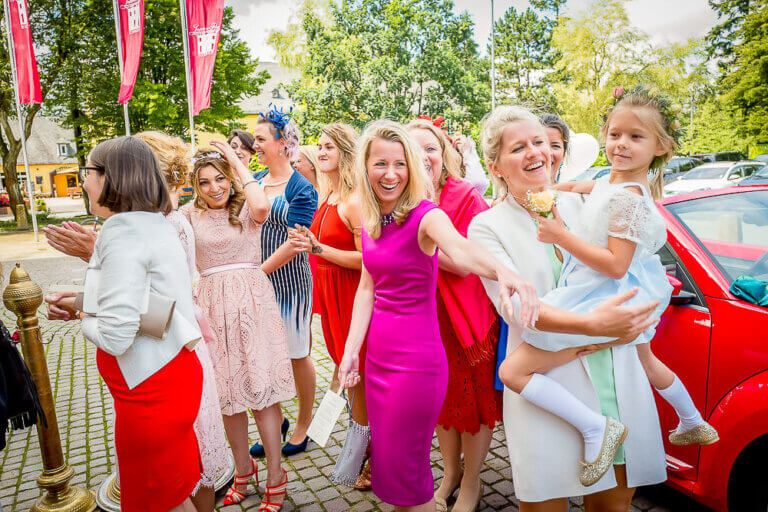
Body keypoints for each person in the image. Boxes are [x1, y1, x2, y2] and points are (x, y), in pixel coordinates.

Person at [501, 86, 718, 486]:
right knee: (646, 361)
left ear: (660, 146)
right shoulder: (611, 184)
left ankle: (596, 429)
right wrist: (552, 190)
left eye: (636, 137)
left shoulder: (628, 200)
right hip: (623, 290)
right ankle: (691, 420)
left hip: (602, 291)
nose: (621, 144)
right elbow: (588, 189)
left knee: (514, 371)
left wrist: (559, 235)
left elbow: (616, 265)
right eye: (615, 134)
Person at [467, 105, 665, 511]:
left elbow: (638, 268)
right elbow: (517, 309)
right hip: (547, 388)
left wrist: (640, 317)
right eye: (518, 147)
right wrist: (594, 324)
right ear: (496, 166)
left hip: (614, 377)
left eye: (539, 142)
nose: (536, 153)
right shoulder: (487, 227)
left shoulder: (590, 201)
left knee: (613, 504)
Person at [337, 120, 540, 512]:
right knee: (393, 474)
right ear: (365, 167)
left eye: (400, 163)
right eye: (380, 163)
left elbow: (462, 252)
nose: (391, 173)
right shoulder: (371, 219)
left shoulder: (425, 216)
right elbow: (367, 288)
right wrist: (350, 352)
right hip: (378, 359)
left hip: (416, 364)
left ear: (412, 168)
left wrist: (503, 272)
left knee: (408, 476)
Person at [45, 136, 204, 512]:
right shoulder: (152, 222)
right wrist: (85, 302)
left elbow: (116, 337)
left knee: (155, 502)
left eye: (88, 172)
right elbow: (157, 310)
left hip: (149, 392)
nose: (84, 182)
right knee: (173, 499)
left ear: (111, 177)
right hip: (170, 376)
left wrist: (84, 315)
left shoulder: (122, 230)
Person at [183, 145, 294, 510]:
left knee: (261, 395)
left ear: (230, 178)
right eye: (204, 182)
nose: (214, 188)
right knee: (226, 399)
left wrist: (232, 158)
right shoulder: (187, 216)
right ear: (194, 186)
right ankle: (242, 471)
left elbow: (263, 207)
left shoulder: (246, 207)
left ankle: (276, 474)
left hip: (251, 303)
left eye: (219, 179)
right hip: (212, 306)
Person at [407, 119, 502, 512]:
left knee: (474, 404)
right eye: (414, 150)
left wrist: (419, 244)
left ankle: (474, 482)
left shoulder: (464, 195)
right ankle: (449, 473)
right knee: (442, 405)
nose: (424, 156)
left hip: (465, 318)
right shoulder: (400, 200)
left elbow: (467, 264)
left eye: (430, 148)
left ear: (444, 152)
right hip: (423, 319)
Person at [287, 124, 370, 488]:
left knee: (360, 377)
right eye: (319, 147)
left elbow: (369, 261)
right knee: (345, 371)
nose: (321, 153)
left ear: (346, 154)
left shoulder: (353, 200)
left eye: (330, 147)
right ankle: (362, 451)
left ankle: (368, 458)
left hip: (353, 295)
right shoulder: (326, 195)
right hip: (330, 295)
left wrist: (319, 248)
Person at [250, 106, 318, 458]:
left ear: (282, 144)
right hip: (257, 283)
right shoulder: (256, 181)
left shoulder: (301, 188)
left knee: (296, 354)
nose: (255, 144)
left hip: (290, 286)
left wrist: (256, 273)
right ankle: (276, 423)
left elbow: (296, 243)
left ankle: (305, 421)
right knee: (262, 356)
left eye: (261, 139)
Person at [540, 113, 570, 182]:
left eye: (555, 146)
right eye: (540, 143)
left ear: (564, 154)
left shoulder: (571, 192)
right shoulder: (512, 192)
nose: (548, 153)